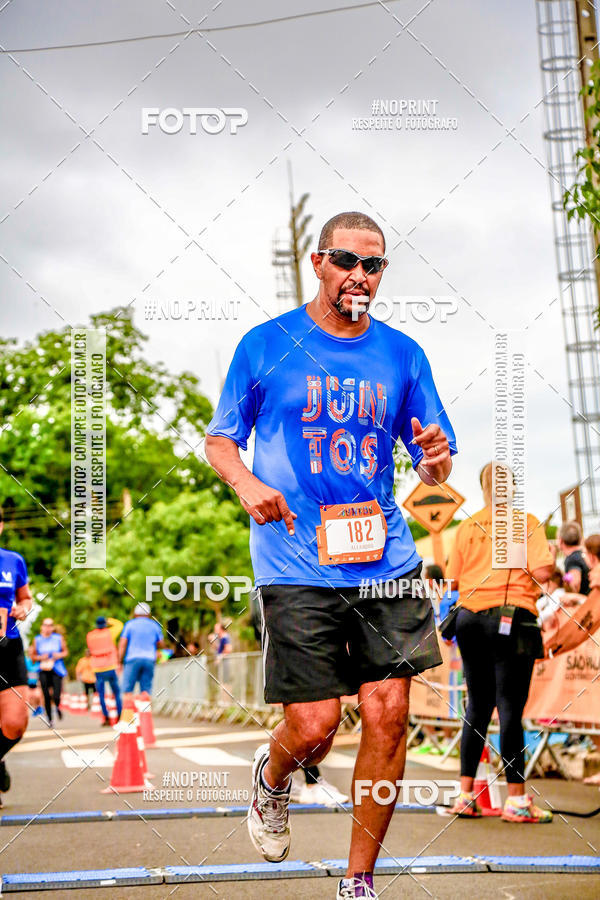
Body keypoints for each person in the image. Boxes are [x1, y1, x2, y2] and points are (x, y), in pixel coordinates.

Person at [205, 210, 456, 900]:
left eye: (374, 266)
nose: (361, 276)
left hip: (385, 560)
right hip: (294, 562)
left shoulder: (402, 355)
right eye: (348, 261)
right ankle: (273, 777)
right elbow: (221, 440)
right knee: (315, 725)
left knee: (388, 715)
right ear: (317, 262)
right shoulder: (266, 346)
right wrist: (247, 481)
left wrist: (434, 461)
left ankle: (358, 879)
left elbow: (433, 463)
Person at [445, 461, 554, 823]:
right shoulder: (527, 522)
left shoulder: (465, 527)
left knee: (477, 706)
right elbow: (543, 571)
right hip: (513, 616)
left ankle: (464, 795)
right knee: (509, 707)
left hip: (470, 617)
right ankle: (517, 800)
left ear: (484, 488)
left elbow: (453, 581)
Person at [0, 507, 34, 806]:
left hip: (7, 646)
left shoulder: (13, 560)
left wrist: (23, 608)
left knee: (15, 722)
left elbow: (25, 597)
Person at [118, 602, 164, 697]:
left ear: (135, 614)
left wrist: (119, 661)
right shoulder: (154, 625)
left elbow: (122, 644)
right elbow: (161, 643)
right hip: (149, 659)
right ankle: (144, 710)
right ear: (148, 614)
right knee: (146, 689)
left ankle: (128, 711)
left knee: (128, 689)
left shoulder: (130, 625)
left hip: (132, 659)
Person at [86, 615, 123, 725]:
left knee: (101, 694)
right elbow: (120, 624)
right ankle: (119, 716)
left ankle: (106, 717)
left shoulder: (90, 635)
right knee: (116, 692)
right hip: (110, 666)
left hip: (97, 668)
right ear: (105, 624)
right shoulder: (110, 632)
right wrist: (109, 620)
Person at [31, 618, 68, 726]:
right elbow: (33, 656)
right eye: (46, 625)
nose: (48, 627)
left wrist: (58, 655)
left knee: (56, 695)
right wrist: (41, 657)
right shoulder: (37, 640)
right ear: (42, 627)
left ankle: (57, 707)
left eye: (50, 625)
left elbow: (65, 652)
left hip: (57, 669)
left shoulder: (58, 638)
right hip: (43, 669)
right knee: (46, 695)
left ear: (53, 627)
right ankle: (50, 719)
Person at [558, 521, 590, 595]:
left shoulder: (572, 559)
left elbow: (575, 586)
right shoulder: (583, 554)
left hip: (583, 604)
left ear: (561, 541)